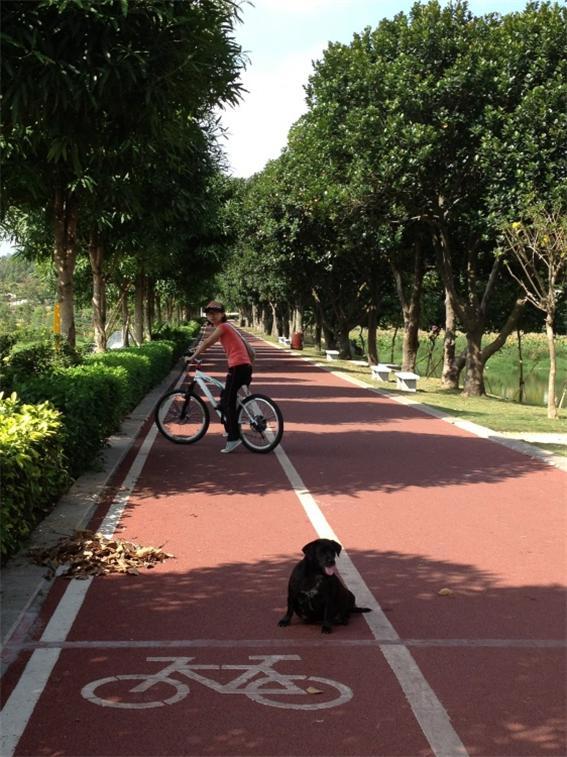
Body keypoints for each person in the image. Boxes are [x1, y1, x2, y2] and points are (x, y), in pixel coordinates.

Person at [189, 301, 255, 453]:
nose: (212, 316)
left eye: (215, 313)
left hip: (238, 368)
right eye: (209, 313)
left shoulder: (223, 327)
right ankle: (229, 427)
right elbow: (206, 343)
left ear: (223, 314)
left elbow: (207, 342)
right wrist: (194, 350)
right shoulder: (227, 328)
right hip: (244, 367)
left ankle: (233, 437)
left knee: (228, 403)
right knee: (225, 397)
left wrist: (193, 357)